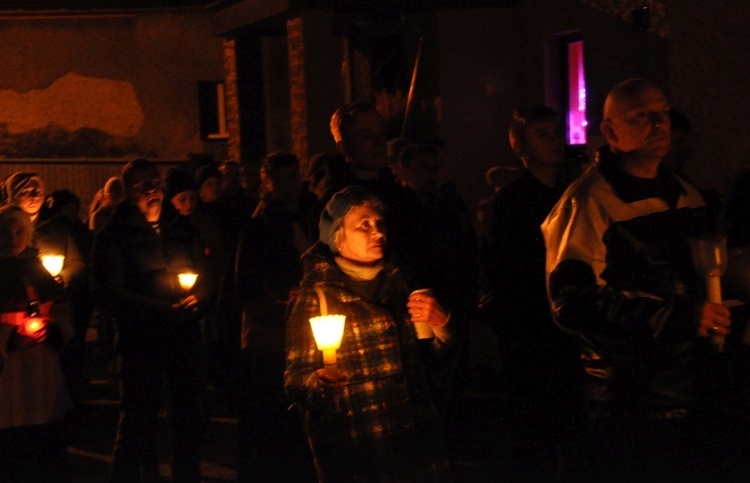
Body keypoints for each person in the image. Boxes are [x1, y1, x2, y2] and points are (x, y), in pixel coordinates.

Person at [542, 78, 731, 482]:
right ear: (610, 131)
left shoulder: (685, 194)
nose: (658, 125)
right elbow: (572, 302)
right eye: (641, 117)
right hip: (627, 403)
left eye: (662, 114)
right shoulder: (588, 203)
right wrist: (677, 318)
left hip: (693, 391)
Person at [285, 186, 455, 482]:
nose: (377, 232)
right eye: (364, 225)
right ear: (338, 235)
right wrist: (318, 384)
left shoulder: (399, 281)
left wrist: (442, 323)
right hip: (359, 441)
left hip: (415, 437)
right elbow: (294, 376)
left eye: (379, 223)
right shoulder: (318, 294)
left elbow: (431, 357)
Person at [91, 159, 215, 483]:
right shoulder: (114, 236)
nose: (151, 190)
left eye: (154, 182)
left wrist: (199, 298)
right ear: (128, 194)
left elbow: (206, 273)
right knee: (136, 420)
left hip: (183, 337)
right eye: (140, 186)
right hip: (139, 339)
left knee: (186, 421)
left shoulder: (182, 228)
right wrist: (159, 310)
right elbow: (109, 292)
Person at [477, 106, 581, 481]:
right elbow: (503, 275)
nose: (555, 140)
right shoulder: (510, 204)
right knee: (534, 432)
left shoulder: (575, 195)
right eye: (543, 134)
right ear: (520, 146)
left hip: (570, 331)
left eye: (557, 132)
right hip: (532, 335)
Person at [235, 151, 318, 482]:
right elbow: (246, 284)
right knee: (271, 410)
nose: (286, 187)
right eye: (278, 180)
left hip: (312, 328)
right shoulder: (258, 227)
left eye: (292, 178)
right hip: (271, 336)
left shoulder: (313, 218)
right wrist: (280, 307)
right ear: (266, 184)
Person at [0, 205, 73, 482]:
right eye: (5, 232)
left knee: (43, 437)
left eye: (19, 231)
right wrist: (8, 337)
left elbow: (61, 309)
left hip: (40, 367)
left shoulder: (35, 268)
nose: (12, 238)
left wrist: (53, 329)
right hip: (7, 368)